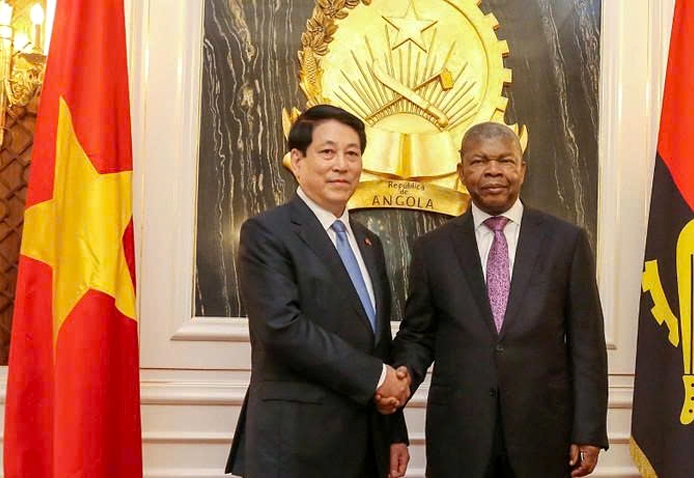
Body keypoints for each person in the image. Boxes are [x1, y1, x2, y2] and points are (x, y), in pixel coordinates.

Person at [391, 122, 609, 477]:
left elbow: (586, 344)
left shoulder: (565, 242)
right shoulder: (433, 249)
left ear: (522, 169)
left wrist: (588, 430)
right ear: (462, 172)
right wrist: (400, 377)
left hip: (543, 434)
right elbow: (418, 335)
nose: (493, 170)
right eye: (479, 161)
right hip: (459, 436)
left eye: (505, 161)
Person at [225, 104, 411, 478]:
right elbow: (282, 327)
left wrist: (394, 432)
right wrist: (377, 378)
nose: (341, 165)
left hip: (365, 447)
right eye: (327, 152)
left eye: (352, 153)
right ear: (297, 160)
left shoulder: (370, 242)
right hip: (294, 446)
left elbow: (377, 345)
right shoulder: (267, 233)